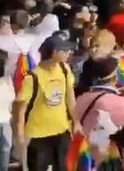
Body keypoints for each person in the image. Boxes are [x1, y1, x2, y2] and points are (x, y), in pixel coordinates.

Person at [14, 33, 78, 171]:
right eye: (65, 50)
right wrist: (19, 137)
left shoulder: (64, 69)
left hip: (62, 130)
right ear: (54, 52)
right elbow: (20, 108)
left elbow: (70, 98)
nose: (69, 53)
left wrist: (76, 122)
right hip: (38, 136)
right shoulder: (33, 78)